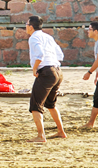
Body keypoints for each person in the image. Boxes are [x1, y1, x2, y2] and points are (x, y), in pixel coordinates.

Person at [25, 15, 67, 143]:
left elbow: (40, 55)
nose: (25, 27)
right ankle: (61, 131)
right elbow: (60, 55)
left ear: (31, 27)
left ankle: (41, 135)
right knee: (50, 104)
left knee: (35, 105)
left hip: (47, 72)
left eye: (26, 24)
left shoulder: (34, 38)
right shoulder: (48, 37)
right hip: (58, 72)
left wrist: (35, 68)